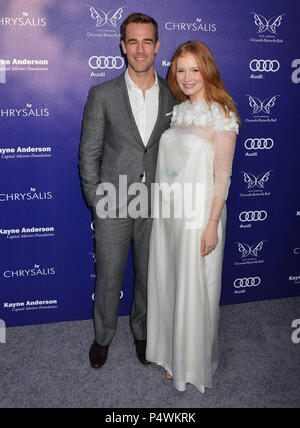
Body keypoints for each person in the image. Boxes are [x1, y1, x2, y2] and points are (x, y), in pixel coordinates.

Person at [79, 13, 177, 369]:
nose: (140, 49)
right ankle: (103, 337)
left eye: (147, 41)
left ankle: (142, 332)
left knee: (150, 277)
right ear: (122, 46)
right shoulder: (102, 94)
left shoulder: (173, 93)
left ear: (157, 46)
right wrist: (97, 200)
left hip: (155, 205)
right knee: (107, 278)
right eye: (132, 41)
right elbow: (88, 153)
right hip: (113, 203)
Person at [146, 41, 240, 392]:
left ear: (207, 70)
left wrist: (212, 224)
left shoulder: (223, 115)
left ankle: (192, 361)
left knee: (196, 286)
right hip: (170, 215)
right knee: (170, 281)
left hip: (201, 216)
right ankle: (172, 352)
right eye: (180, 70)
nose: (186, 77)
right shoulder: (180, 112)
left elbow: (222, 176)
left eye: (194, 70)